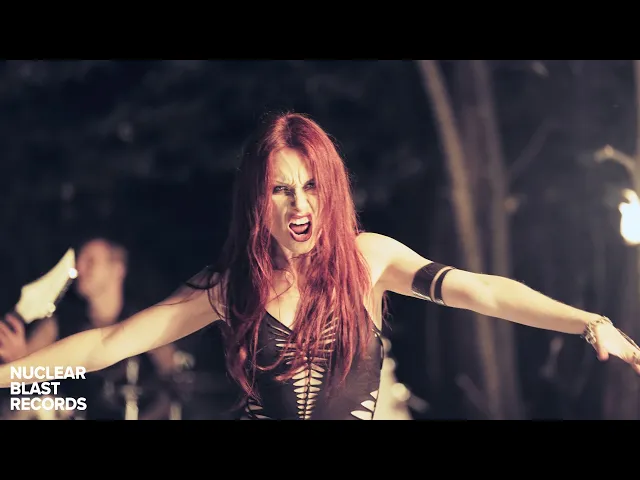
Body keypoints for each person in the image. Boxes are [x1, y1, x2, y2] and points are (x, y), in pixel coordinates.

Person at [1, 111, 639, 421]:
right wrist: (10, 379)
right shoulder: (232, 286)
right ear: (259, 202)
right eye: (280, 190)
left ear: (330, 189)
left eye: (310, 186)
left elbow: (484, 293)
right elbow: (108, 344)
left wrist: (588, 322)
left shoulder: (370, 260)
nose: (299, 205)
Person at [0, 237, 177, 420]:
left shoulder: (143, 323)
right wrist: (17, 359)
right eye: (79, 260)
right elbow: (26, 365)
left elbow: (177, 383)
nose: (79, 268)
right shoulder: (60, 321)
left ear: (117, 269)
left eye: (90, 261)